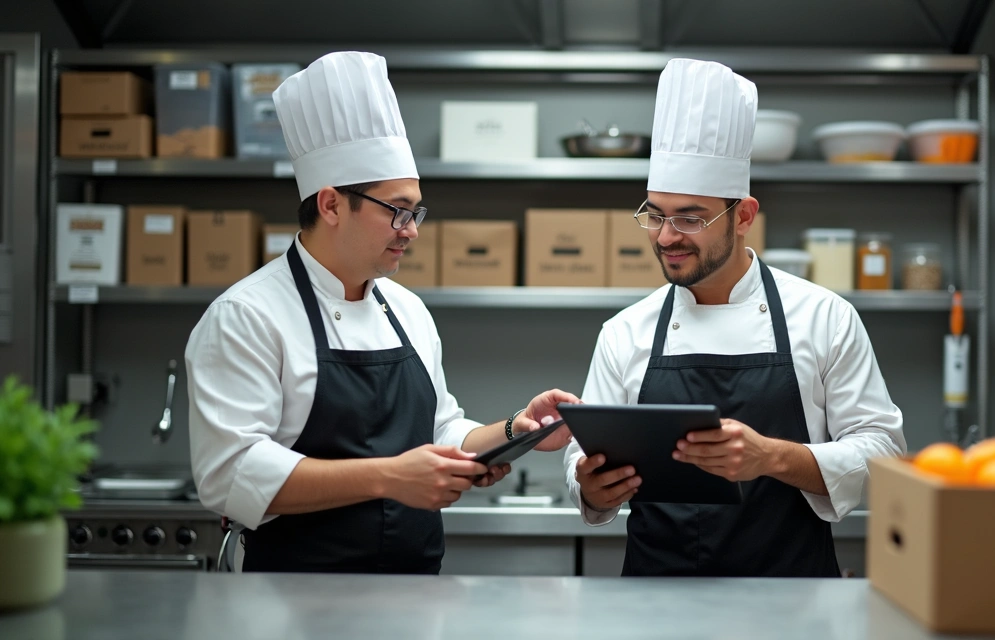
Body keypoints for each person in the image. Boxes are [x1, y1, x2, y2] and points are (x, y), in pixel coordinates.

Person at [185, 51, 577, 574]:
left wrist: (513, 432)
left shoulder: (408, 310)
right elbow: (229, 476)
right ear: (330, 205)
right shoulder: (247, 316)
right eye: (396, 210)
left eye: (415, 211)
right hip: (291, 601)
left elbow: (441, 431)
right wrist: (389, 477)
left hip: (415, 594)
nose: (411, 230)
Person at [563, 58, 906, 577]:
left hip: (792, 598)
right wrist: (588, 483)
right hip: (653, 604)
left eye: (690, 217)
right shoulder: (625, 332)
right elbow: (580, 457)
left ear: (744, 216)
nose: (665, 236)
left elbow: (883, 455)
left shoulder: (824, 317)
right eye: (655, 214)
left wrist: (772, 458)